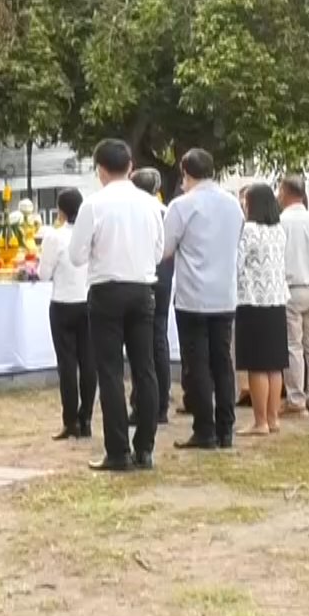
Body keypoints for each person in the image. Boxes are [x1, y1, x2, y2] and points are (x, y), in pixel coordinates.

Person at [69, 139, 164, 473]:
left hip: (106, 290)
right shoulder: (150, 204)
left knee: (110, 371)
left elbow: (76, 255)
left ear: (100, 170)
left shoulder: (94, 205)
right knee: (145, 369)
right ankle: (146, 448)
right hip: (142, 290)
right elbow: (157, 251)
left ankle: (118, 450)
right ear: (131, 167)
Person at [163, 149, 243, 450]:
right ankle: (226, 428)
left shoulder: (182, 206)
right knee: (223, 362)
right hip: (224, 294)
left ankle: (204, 429)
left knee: (197, 365)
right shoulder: (233, 204)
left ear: (186, 172)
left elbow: (166, 248)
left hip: (193, 296)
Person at [39, 187, 94, 440]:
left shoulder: (54, 236)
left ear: (60, 211)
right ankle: (87, 418)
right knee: (88, 362)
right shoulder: (90, 234)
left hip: (62, 302)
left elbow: (44, 273)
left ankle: (70, 420)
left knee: (68, 364)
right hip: (87, 301)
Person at [234, 183, 289, 436]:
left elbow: (238, 263)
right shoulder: (279, 230)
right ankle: (273, 417)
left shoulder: (249, 230)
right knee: (274, 364)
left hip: (253, 300)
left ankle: (260, 422)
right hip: (277, 299)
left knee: (256, 364)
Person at [277, 176, 309, 414]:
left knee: (293, 346)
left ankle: (296, 398)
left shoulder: (282, 221)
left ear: (286, 192)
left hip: (292, 287)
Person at [129, 167, 174, 426]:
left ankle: (142, 401)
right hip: (164, 278)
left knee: (139, 345)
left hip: (142, 278)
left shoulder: (134, 209)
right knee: (159, 339)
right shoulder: (165, 211)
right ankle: (162, 404)